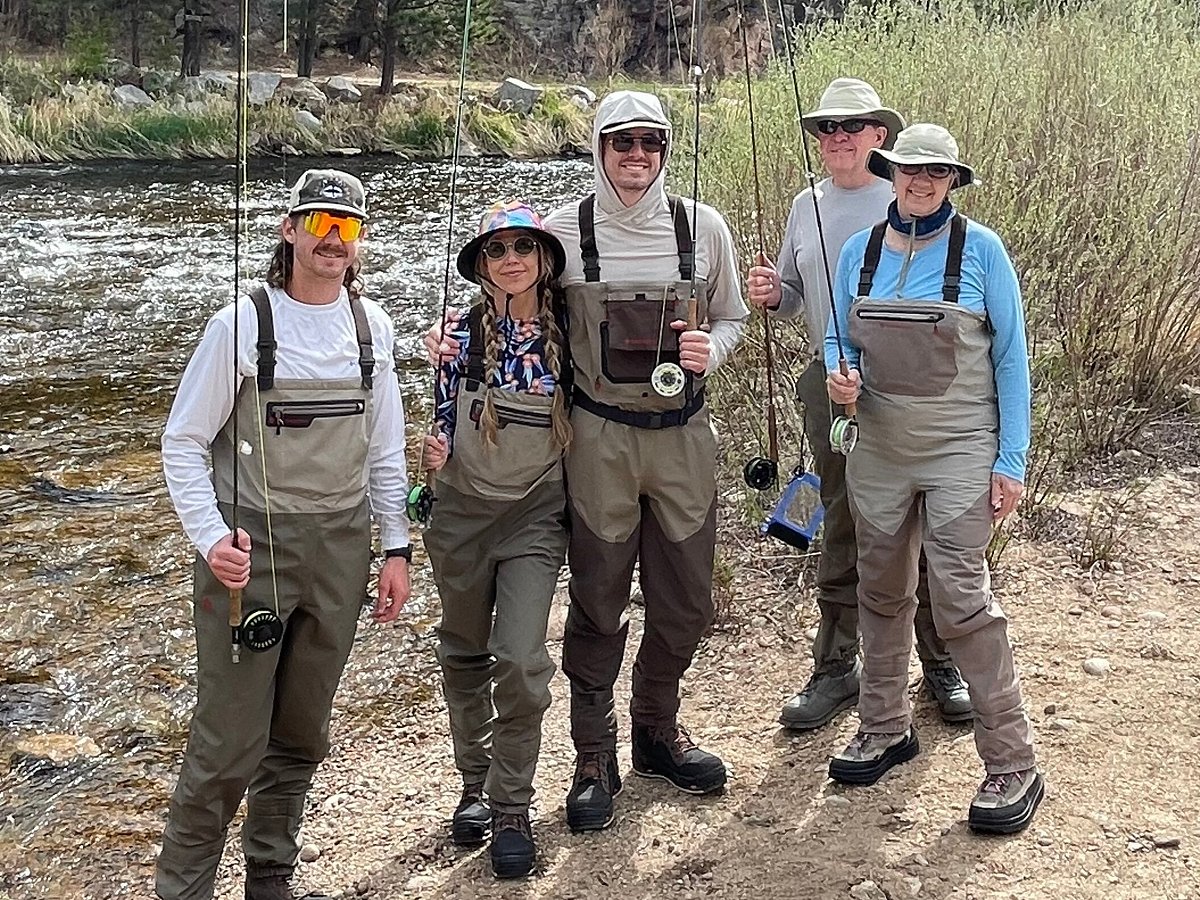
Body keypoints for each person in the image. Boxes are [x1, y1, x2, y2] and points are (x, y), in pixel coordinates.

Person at [425, 90, 748, 832]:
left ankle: (657, 731)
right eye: (621, 142)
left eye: (651, 142)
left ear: (666, 149)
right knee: (599, 602)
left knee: (688, 601)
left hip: (684, 437)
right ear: (598, 148)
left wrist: (715, 348)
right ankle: (593, 758)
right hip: (598, 441)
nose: (637, 156)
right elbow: (512, 304)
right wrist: (451, 342)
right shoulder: (565, 230)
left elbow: (730, 315)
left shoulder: (705, 227)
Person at [157, 169, 413, 900]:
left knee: (301, 733)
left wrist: (394, 548)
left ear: (360, 242)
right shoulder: (238, 324)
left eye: (348, 227)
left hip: (342, 551)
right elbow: (182, 442)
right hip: (250, 554)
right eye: (320, 223)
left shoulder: (375, 328)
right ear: (289, 230)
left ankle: (271, 871)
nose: (333, 239)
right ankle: (184, 889)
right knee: (226, 744)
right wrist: (210, 540)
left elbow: (386, 450)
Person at [824, 125, 1043, 834]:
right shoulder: (858, 253)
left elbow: (1012, 358)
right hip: (879, 451)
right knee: (881, 588)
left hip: (960, 452)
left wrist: (1011, 461)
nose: (921, 183)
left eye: (937, 174)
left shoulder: (983, 250)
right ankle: (884, 727)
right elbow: (837, 335)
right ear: (889, 172)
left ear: (953, 181)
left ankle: (1013, 762)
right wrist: (840, 376)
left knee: (960, 601)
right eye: (911, 171)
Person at [746, 78, 973, 731]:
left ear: (882, 136)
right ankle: (834, 667)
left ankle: (942, 665)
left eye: (853, 125)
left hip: (909, 387)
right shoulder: (802, 205)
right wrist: (771, 292)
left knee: (923, 522)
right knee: (841, 519)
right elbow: (791, 298)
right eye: (827, 127)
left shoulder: (906, 196)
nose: (838, 136)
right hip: (831, 385)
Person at [421, 201, 570, 878]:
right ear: (481, 265)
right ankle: (474, 783)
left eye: (523, 247)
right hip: (459, 513)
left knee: (517, 656)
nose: (510, 259)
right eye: (496, 250)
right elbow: (443, 424)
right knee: (463, 655)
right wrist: (429, 449)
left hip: (536, 518)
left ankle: (512, 802)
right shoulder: (454, 334)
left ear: (544, 259)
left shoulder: (573, 328)